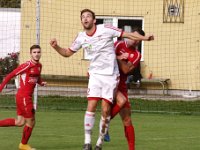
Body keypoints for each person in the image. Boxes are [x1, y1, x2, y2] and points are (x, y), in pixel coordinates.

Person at [50, 9, 154, 150]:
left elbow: (125, 41)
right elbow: (68, 52)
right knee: (91, 106)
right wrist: (56, 47)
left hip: (113, 78)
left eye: (88, 16)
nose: (85, 18)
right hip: (96, 75)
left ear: (94, 20)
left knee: (112, 112)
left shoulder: (108, 31)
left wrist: (145, 38)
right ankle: (87, 143)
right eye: (83, 17)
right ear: (81, 21)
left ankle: (102, 138)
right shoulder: (85, 38)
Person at [104, 28, 148, 150]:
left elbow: (126, 70)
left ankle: (131, 148)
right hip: (109, 82)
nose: (135, 42)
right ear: (129, 35)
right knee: (120, 102)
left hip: (121, 86)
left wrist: (120, 58)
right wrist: (120, 57)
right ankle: (104, 125)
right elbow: (106, 57)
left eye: (138, 41)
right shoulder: (118, 44)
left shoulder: (137, 54)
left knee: (127, 119)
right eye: (134, 38)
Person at [0, 45, 46, 150]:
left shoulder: (39, 66)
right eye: (34, 52)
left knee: (20, 122)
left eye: (38, 52)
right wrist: (1, 87)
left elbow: (37, 77)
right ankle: (23, 144)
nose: (37, 54)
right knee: (31, 121)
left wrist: (41, 83)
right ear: (31, 54)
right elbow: (10, 75)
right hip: (24, 97)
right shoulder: (27, 65)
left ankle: (23, 144)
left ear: (40, 53)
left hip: (24, 97)